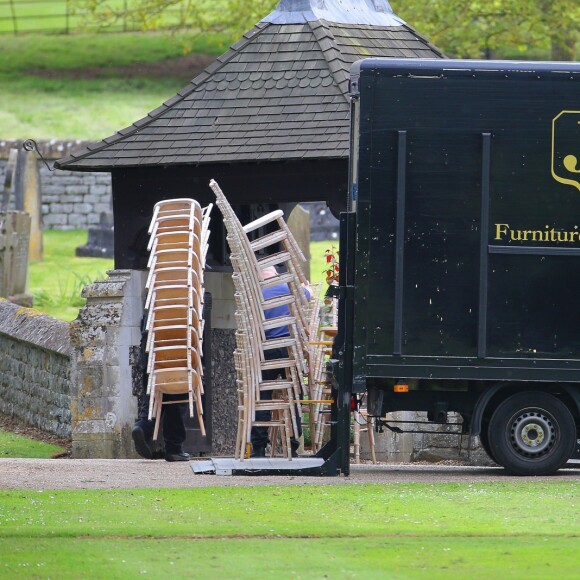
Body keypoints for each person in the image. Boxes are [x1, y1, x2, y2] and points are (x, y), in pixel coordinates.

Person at [250, 266, 311, 458]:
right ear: (276, 275)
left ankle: (258, 447)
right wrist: (305, 287)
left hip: (265, 350)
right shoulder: (289, 288)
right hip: (289, 350)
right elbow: (308, 295)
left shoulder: (256, 293)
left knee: (262, 397)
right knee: (293, 396)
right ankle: (292, 445)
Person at [132, 327, 191, 462]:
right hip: (179, 339)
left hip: (152, 341)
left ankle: (142, 427)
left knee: (153, 389)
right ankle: (174, 448)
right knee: (177, 390)